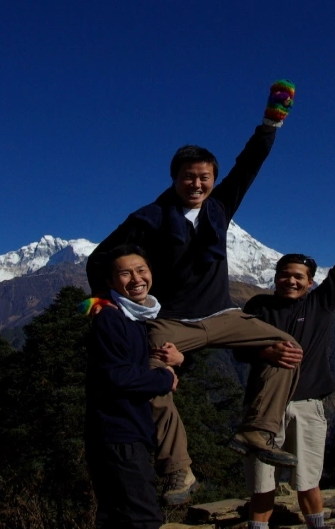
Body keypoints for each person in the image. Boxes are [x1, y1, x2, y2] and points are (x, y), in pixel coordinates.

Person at [86, 81, 302, 505]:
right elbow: (99, 260)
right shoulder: (148, 218)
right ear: (174, 178)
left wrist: (271, 123)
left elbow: (249, 166)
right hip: (171, 322)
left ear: (213, 180)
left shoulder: (219, 209)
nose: (198, 184)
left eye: (205, 177)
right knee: (149, 379)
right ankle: (179, 472)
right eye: (189, 177)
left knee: (287, 346)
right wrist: (101, 302)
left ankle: (256, 431)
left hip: (222, 314)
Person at [237, 185, 335, 529]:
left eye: (298, 276)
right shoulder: (259, 306)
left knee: (308, 482)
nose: (290, 280)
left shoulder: (321, 304)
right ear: (275, 278)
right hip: (262, 408)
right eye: (284, 274)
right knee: (262, 485)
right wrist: (265, 350)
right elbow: (238, 348)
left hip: (307, 405)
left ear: (310, 282)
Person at [83, 245, 186, 529]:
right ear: (110, 281)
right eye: (125, 273)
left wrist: (176, 362)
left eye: (141, 270)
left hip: (124, 433)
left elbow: (139, 365)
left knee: (116, 517)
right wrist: (164, 379)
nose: (136, 278)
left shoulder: (136, 318)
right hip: (119, 434)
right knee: (143, 518)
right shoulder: (111, 318)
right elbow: (118, 376)